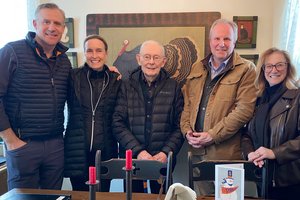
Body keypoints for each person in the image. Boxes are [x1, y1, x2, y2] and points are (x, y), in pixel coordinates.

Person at [180, 18, 257, 195]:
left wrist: (212, 135)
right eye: (217, 39)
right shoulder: (196, 68)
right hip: (197, 153)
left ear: (235, 42)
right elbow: (187, 106)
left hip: (228, 155)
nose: (221, 44)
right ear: (210, 41)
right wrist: (187, 132)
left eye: (227, 39)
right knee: (200, 198)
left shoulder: (246, 69)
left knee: (230, 198)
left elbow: (244, 110)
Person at [0, 3, 71, 190]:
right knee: (23, 196)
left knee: (53, 195)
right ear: (35, 24)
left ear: (63, 28)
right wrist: (10, 140)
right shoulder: (12, 51)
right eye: (46, 21)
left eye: (57, 23)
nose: (52, 27)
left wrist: (106, 70)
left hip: (56, 144)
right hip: (23, 144)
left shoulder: (64, 61)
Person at [113, 40, 184, 193]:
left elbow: (180, 126)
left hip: (163, 160)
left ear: (163, 61)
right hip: (132, 160)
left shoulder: (174, 87)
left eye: (156, 57)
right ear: (139, 59)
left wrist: (166, 152)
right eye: (147, 57)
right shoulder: (126, 86)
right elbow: (117, 123)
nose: (151, 62)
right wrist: (138, 152)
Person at [64, 35, 121, 191]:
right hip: (76, 150)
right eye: (89, 51)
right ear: (84, 53)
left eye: (99, 51)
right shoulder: (72, 76)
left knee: (102, 195)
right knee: (79, 196)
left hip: (105, 152)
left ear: (106, 54)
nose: (94, 55)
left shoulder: (115, 80)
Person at [241, 48, 300, 199]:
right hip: (262, 178)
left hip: (290, 181)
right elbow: (247, 134)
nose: (274, 70)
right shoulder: (259, 99)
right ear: (263, 69)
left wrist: (274, 153)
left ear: (288, 68)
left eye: (279, 65)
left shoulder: (297, 97)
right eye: (269, 66)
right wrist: (250, 153)